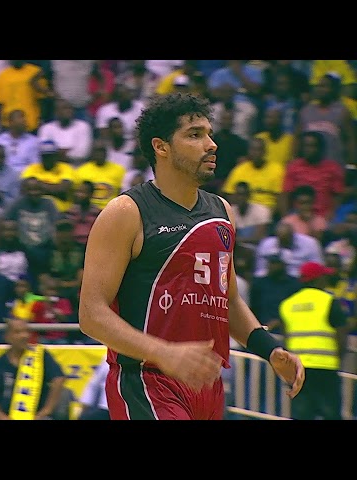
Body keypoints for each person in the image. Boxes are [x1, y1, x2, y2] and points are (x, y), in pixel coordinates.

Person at [78, 92, 306, 420]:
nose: (211, 144)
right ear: (161, 147)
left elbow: (227, 302)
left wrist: (269, 350)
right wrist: (163, 353)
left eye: (209, 134)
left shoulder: (222, 212)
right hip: (148, 381)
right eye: (195, 134)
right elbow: (90, 314)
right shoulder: (127, 212)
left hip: (207, 387)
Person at [279, 261, 349, 420]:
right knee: (331, 414)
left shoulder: (287, 304)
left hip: (298, 370)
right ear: (317, 280)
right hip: (325, 368)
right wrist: (340, 358)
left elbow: (286, 339)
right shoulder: (329, 301)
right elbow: (342, 336)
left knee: (302, 414)